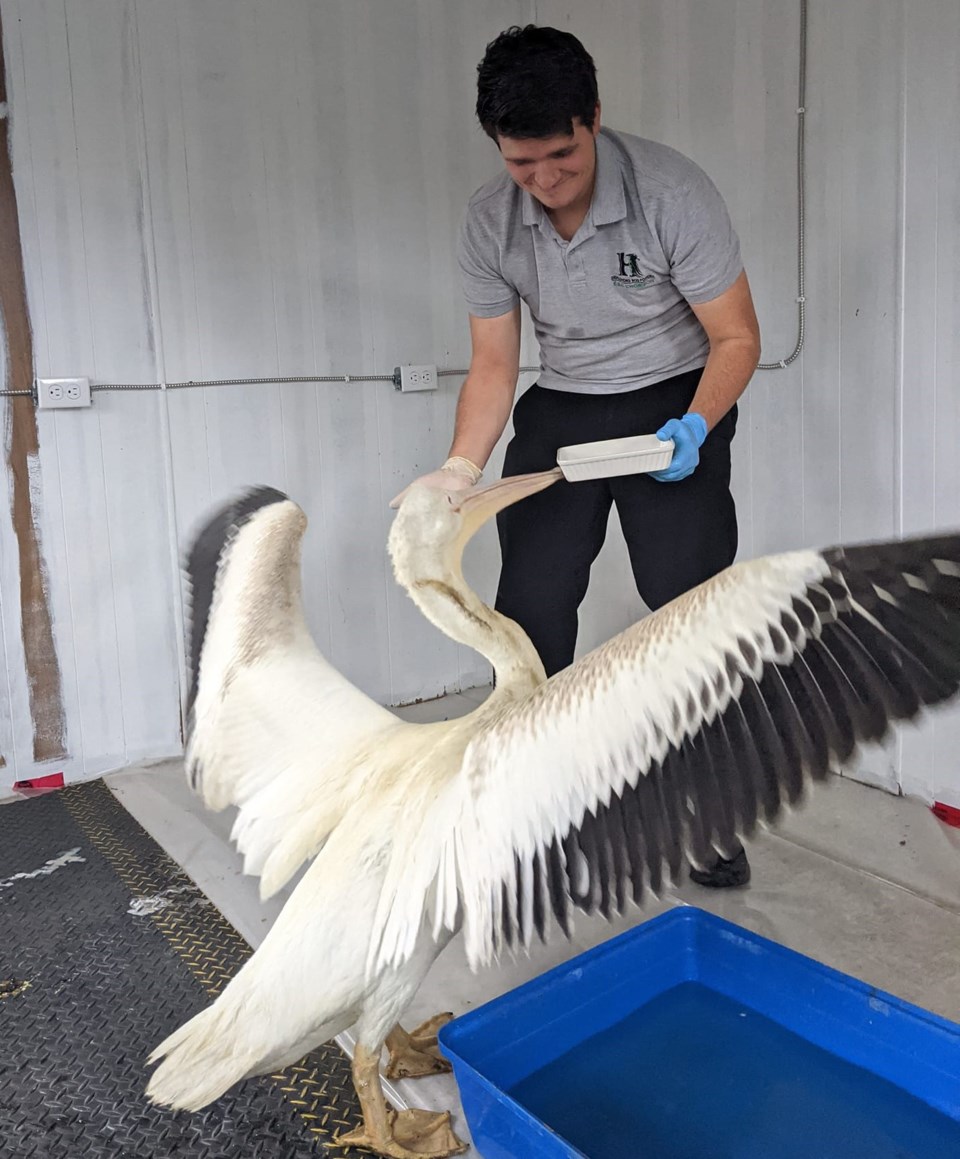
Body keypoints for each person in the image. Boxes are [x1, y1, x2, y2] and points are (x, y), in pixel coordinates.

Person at [394, 25, 760, 888]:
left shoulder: (673, 192)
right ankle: (535, 799)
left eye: (562, 154)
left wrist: (696, 427)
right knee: (530, 603)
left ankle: (709, 808)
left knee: (687, 605)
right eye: (524, 164)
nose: (546, 180)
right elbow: (494, 363)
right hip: (563, 406)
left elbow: (737, 337)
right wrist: (458, 468)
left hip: (676, 398)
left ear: (593, 117)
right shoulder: (492, 219)